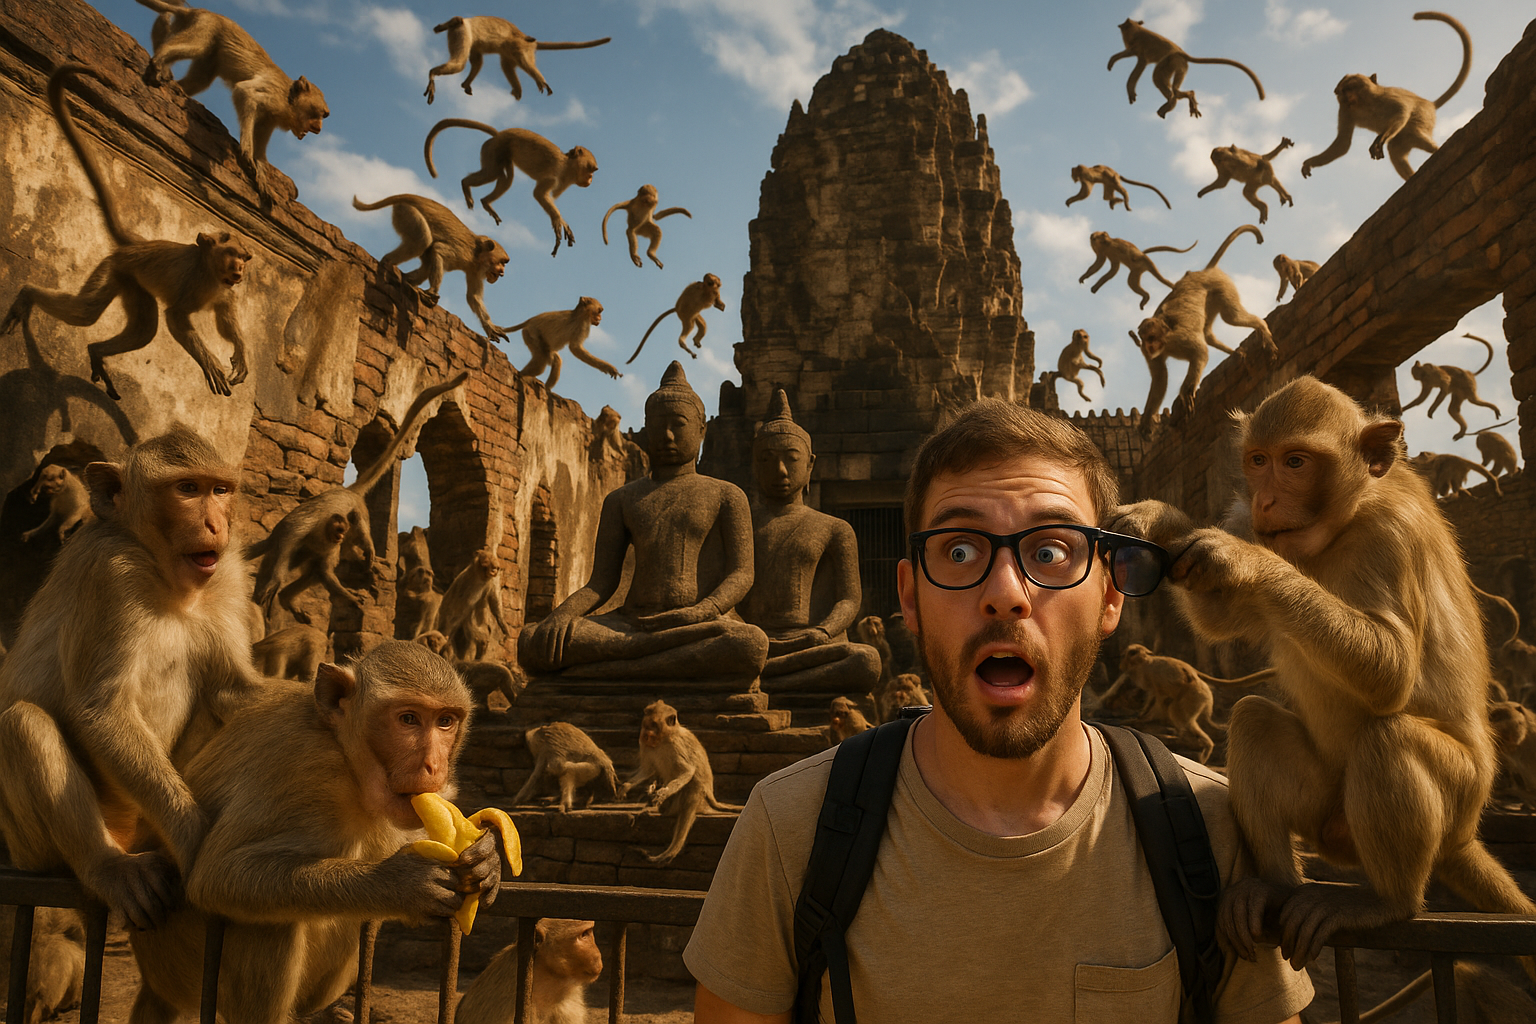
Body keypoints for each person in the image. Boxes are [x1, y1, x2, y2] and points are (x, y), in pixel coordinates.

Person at [684, 399, 1313, 1023]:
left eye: (1051, 551)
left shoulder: (1209, 830)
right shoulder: (789, 828)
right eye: (959, 551)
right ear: (910, 596)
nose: (1006, 594)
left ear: (1111, 595)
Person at [517, 361, 768, 685]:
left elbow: (742, 573)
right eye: (657, 424)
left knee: (749, 645)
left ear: (701, 429)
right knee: (534, 642)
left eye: (678, 424)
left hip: (699, 625)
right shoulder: (621, 499)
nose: (665, 435)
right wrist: (564, 614)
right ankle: (652, 667)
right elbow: (601, 583)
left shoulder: (726, 495)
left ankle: (606, 674)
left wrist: (704, 610)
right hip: (630, 626)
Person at [737, 389, 881, 692]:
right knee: (730, 649)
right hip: (750, 643)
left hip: (812, 645)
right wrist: (741, 631)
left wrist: (823, 631)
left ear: (810, 463)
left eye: (791, 459)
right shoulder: (738, 522)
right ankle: (770, 676)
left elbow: (848, 599)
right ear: (754, 464)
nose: (780, 470)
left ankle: (762, 680)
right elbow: (724, 588)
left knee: (866, 661)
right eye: (767, 459)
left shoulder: (834, 528)